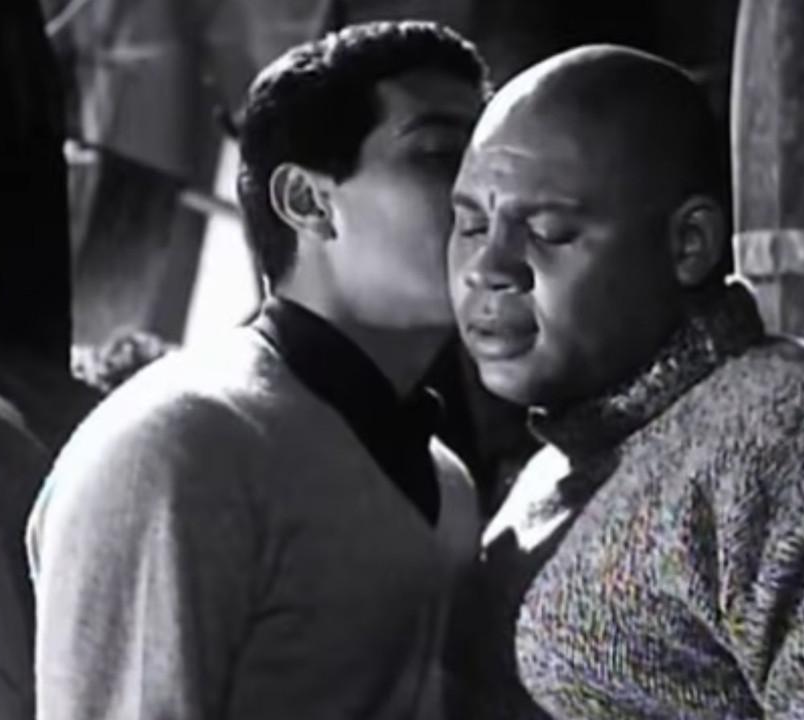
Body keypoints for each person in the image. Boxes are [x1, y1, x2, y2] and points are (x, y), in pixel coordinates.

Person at [446, 44, 804, 718]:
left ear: (689, 244)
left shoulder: (800, 454)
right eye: (470, 224)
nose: (488, 266)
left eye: (549, 231)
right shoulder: (567, 456)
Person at [28, 20, 489, 720]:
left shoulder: (446, 481)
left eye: (494, 166)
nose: (488, 200)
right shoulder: (180, 449)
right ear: (308, 202)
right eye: (441, 155)